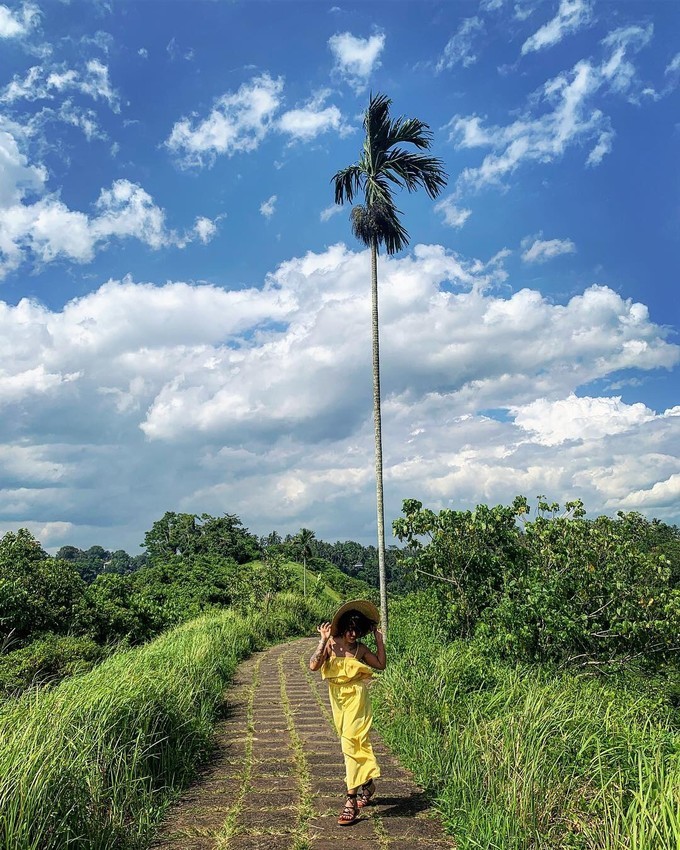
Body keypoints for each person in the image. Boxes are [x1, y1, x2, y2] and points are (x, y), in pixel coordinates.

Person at [309, 599, 386, 826]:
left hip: (357, 700)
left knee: (350, 744)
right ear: (342, 627)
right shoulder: (332, 644)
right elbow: (314, 666)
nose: (353, 634)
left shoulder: (360, 649)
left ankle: (350, 800)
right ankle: (368, 784)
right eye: (350, 629)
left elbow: (380, 664)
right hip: (338, 701)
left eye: (357, 630)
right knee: (352, 744)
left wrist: (379, 641)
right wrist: (322, 641)